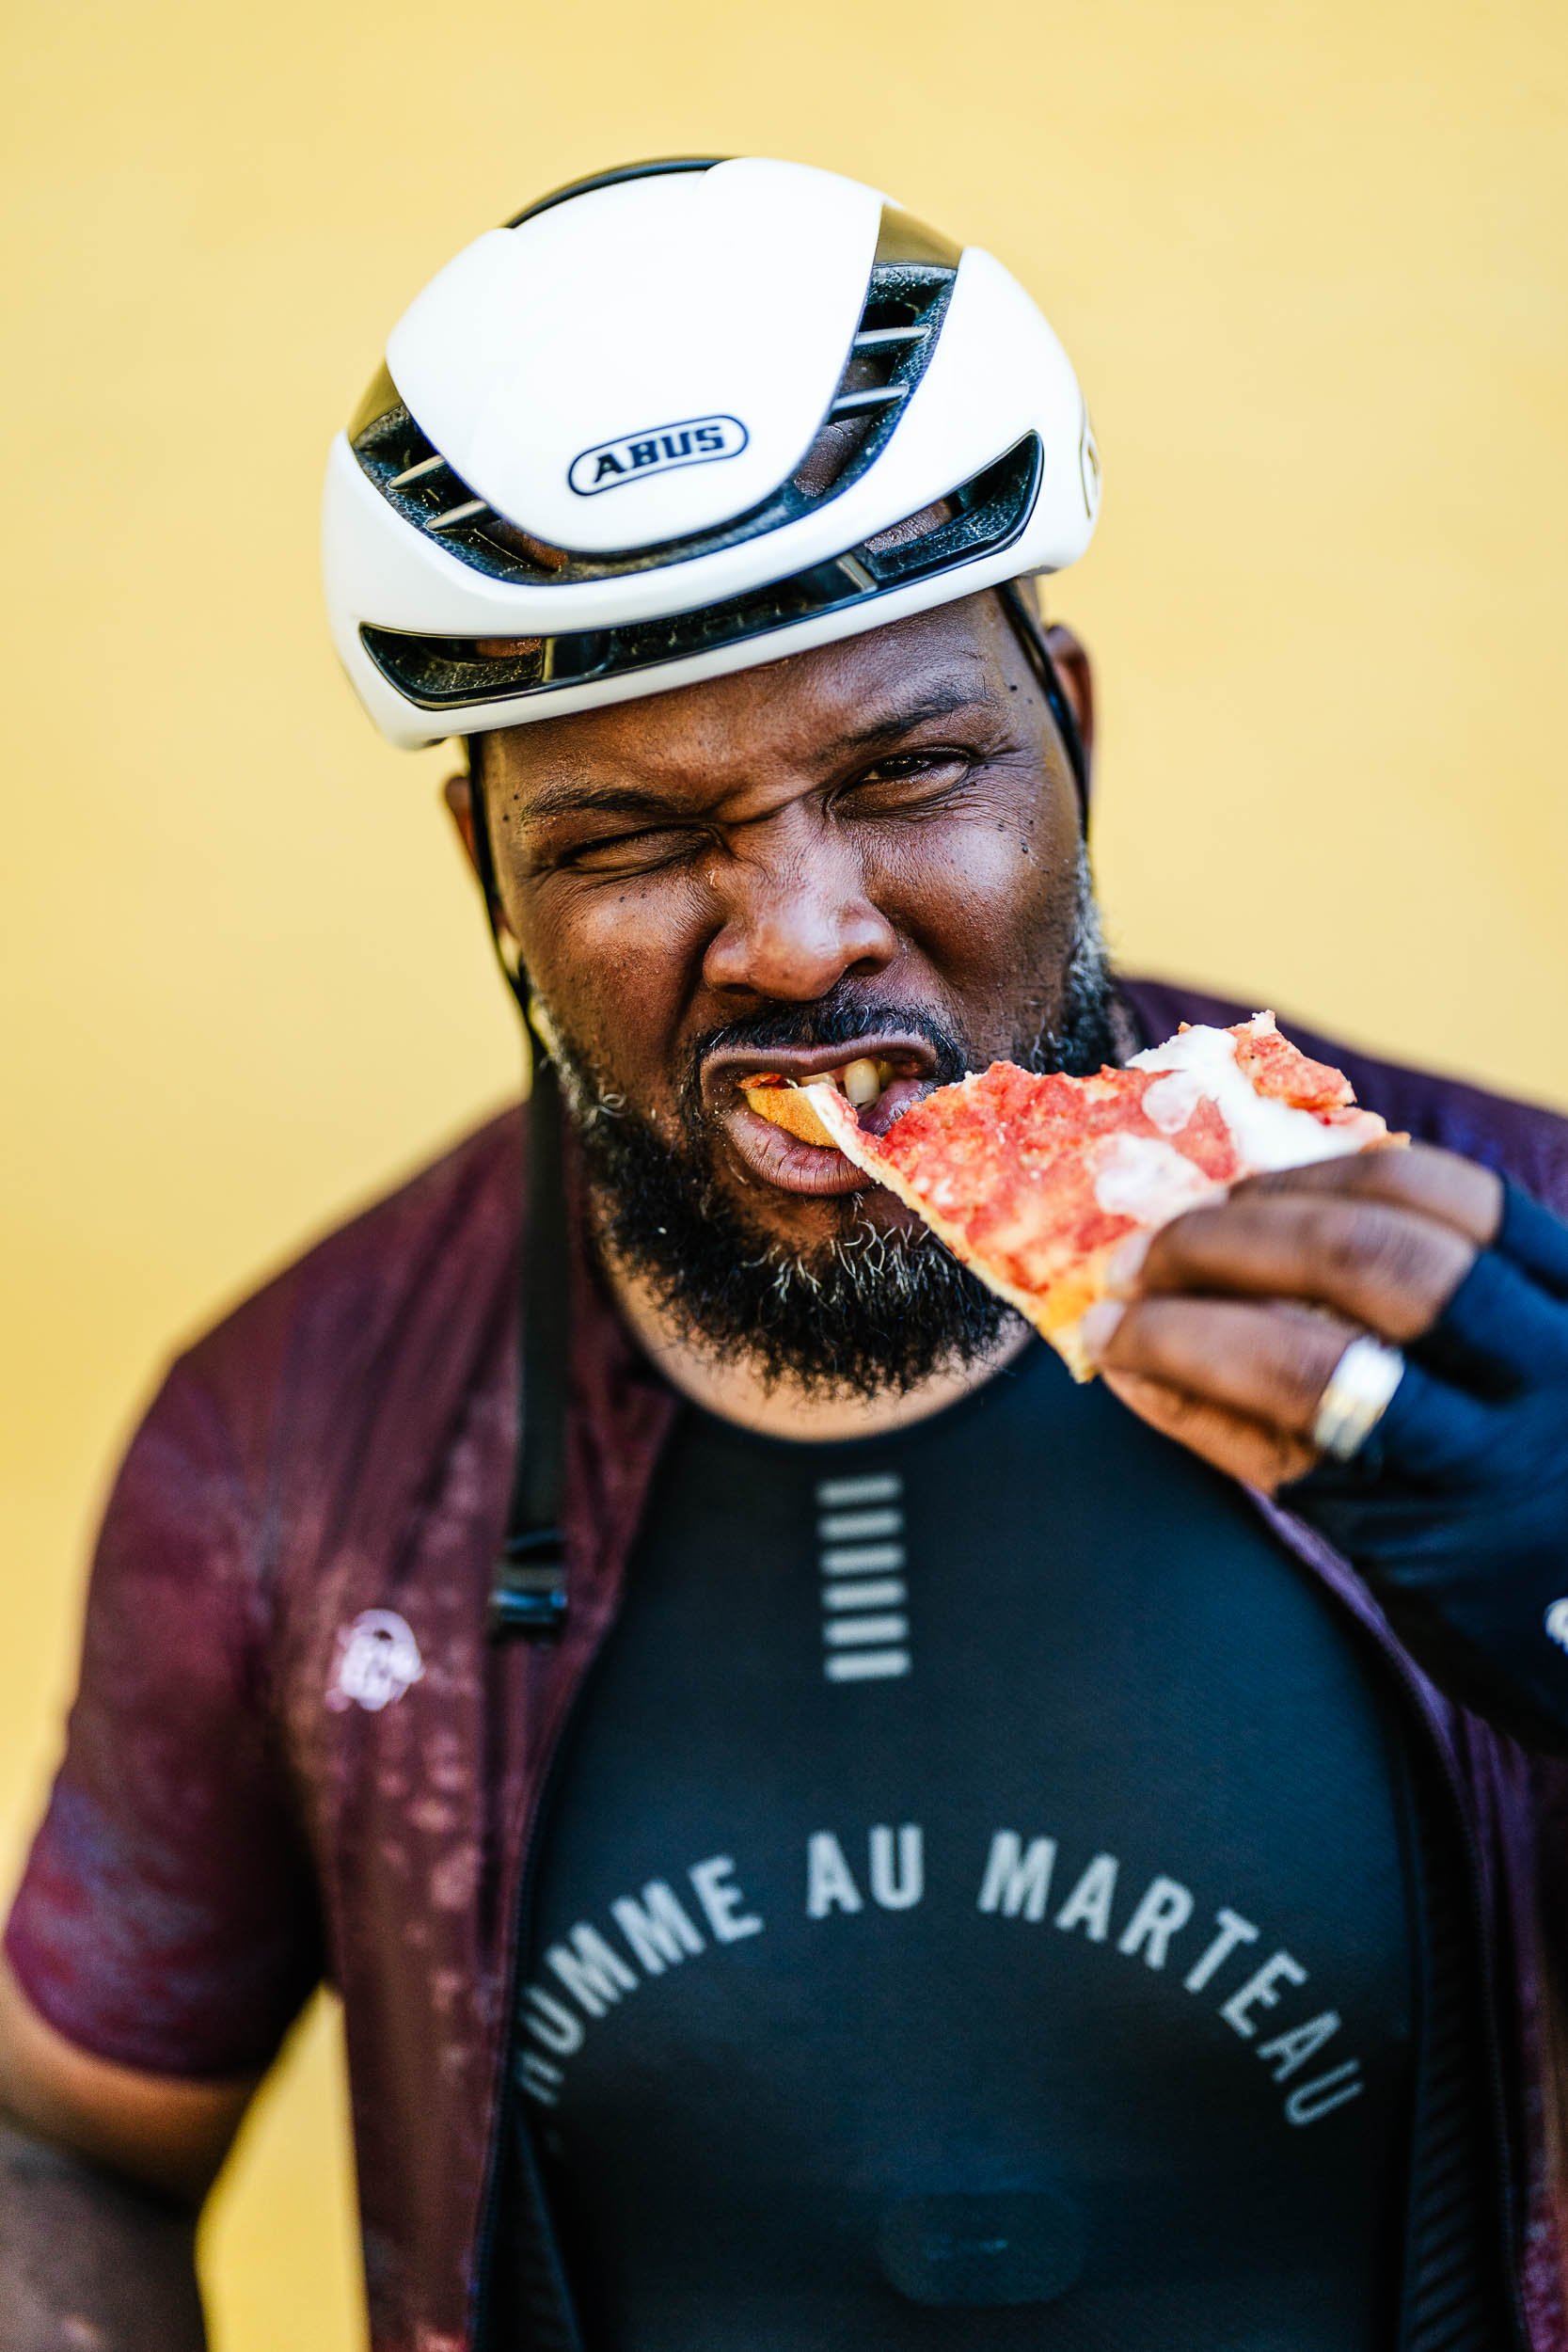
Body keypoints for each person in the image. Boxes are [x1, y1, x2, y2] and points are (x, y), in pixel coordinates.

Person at [2, 154, 1566, 2352]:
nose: (802, 934)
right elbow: (66, 2136)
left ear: (1074, 741)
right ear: (491, 877)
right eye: (631, 840)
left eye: (915, 770)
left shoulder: (1516, 1274)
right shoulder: (287, 1439)